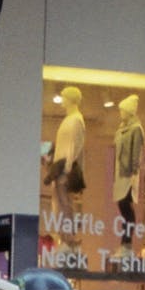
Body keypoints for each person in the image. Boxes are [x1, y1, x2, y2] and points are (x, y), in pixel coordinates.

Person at [45, 86, 85, 221]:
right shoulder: (68, 120)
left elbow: (75, 146)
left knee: (65, 204)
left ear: (70, 99)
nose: (62, 100)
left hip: (65, 170)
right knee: (59, 205)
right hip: (59, 169)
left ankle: (69, 238)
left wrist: (67, 168)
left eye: (64, 97)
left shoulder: (76, 120)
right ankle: (65, 237)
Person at [113, 95, 145, 243]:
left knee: (125, 205)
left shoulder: (136, 129)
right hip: (121, 173)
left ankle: (127, 240)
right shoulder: (121, 129)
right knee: (122, 204)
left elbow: (136, 152)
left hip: (128, 174)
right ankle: (125, 239)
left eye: (122, 110)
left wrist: (134, 172)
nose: (121, 113)